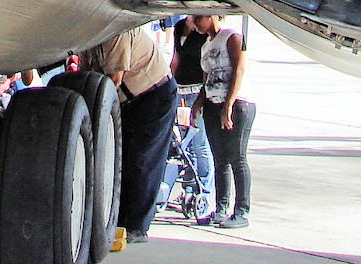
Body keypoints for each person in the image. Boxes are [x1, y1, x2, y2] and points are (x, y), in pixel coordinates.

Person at [79, 25, 176, 245]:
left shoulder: (115, 31)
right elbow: (86, 77)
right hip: (128, 102)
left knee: (142, 161)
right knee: (120, 161)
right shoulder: (88, 38)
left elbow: (114, 78)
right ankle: (119, 220)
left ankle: (137, 226)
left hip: (154, 95)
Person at [192, 13, 253, 228]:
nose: (195, 22)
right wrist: (199, 103)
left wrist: (229, 104)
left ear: (212, 16)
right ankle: (221, 208)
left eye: (199, 17)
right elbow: (206, 78)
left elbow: (239, 69)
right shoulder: (206, 46)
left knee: (236, 157)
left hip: (236, 104)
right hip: (213, 102)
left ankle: (241, 211)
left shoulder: (231, 37)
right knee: (219, 158)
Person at [159, 15, 214, 223]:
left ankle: (204, 189)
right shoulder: (181, 26)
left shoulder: (204, 34)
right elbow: (176, 57)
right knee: (184, 144)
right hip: (180, 89)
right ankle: (189, 188)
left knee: (199, 143)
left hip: (196, 89)